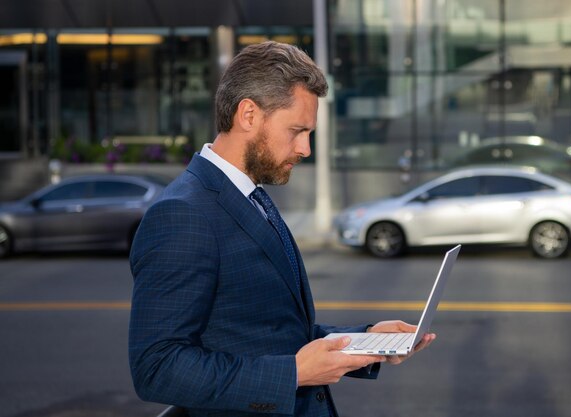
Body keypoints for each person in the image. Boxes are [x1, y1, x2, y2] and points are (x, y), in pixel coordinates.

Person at [128, 41, 435, 417]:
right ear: (249, 115)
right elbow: (157, 369)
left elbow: (272, 332)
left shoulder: (250, 194)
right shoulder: (182, 214)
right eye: (296, 130)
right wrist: (292, 374)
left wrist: (366, 340)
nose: (306, 148)